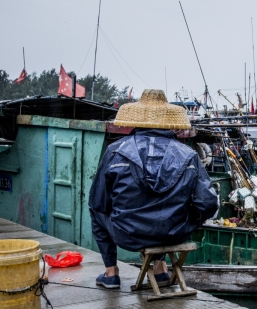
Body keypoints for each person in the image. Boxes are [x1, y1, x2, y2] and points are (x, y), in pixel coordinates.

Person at [89, 89, 219, 288]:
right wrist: (189, 217)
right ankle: (160, 270)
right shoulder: (189, 155)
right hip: (175, 232)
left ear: (137, 119)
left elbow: (99, 202)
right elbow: (208, 204)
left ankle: (111, 273)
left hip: (127, 234)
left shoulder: (115, 151)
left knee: (95, 211)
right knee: (166, 214)